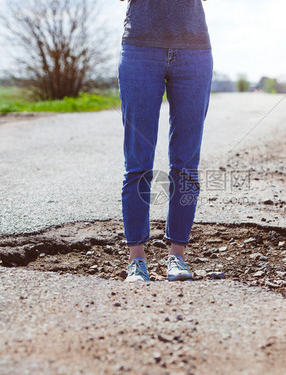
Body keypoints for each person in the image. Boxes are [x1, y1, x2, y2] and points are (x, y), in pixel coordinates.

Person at [117, 0, 213, 282]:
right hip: (140, 50)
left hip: (194, 51)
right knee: (138, 160)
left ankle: (178, 256)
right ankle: (136, 259)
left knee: (185, 161)